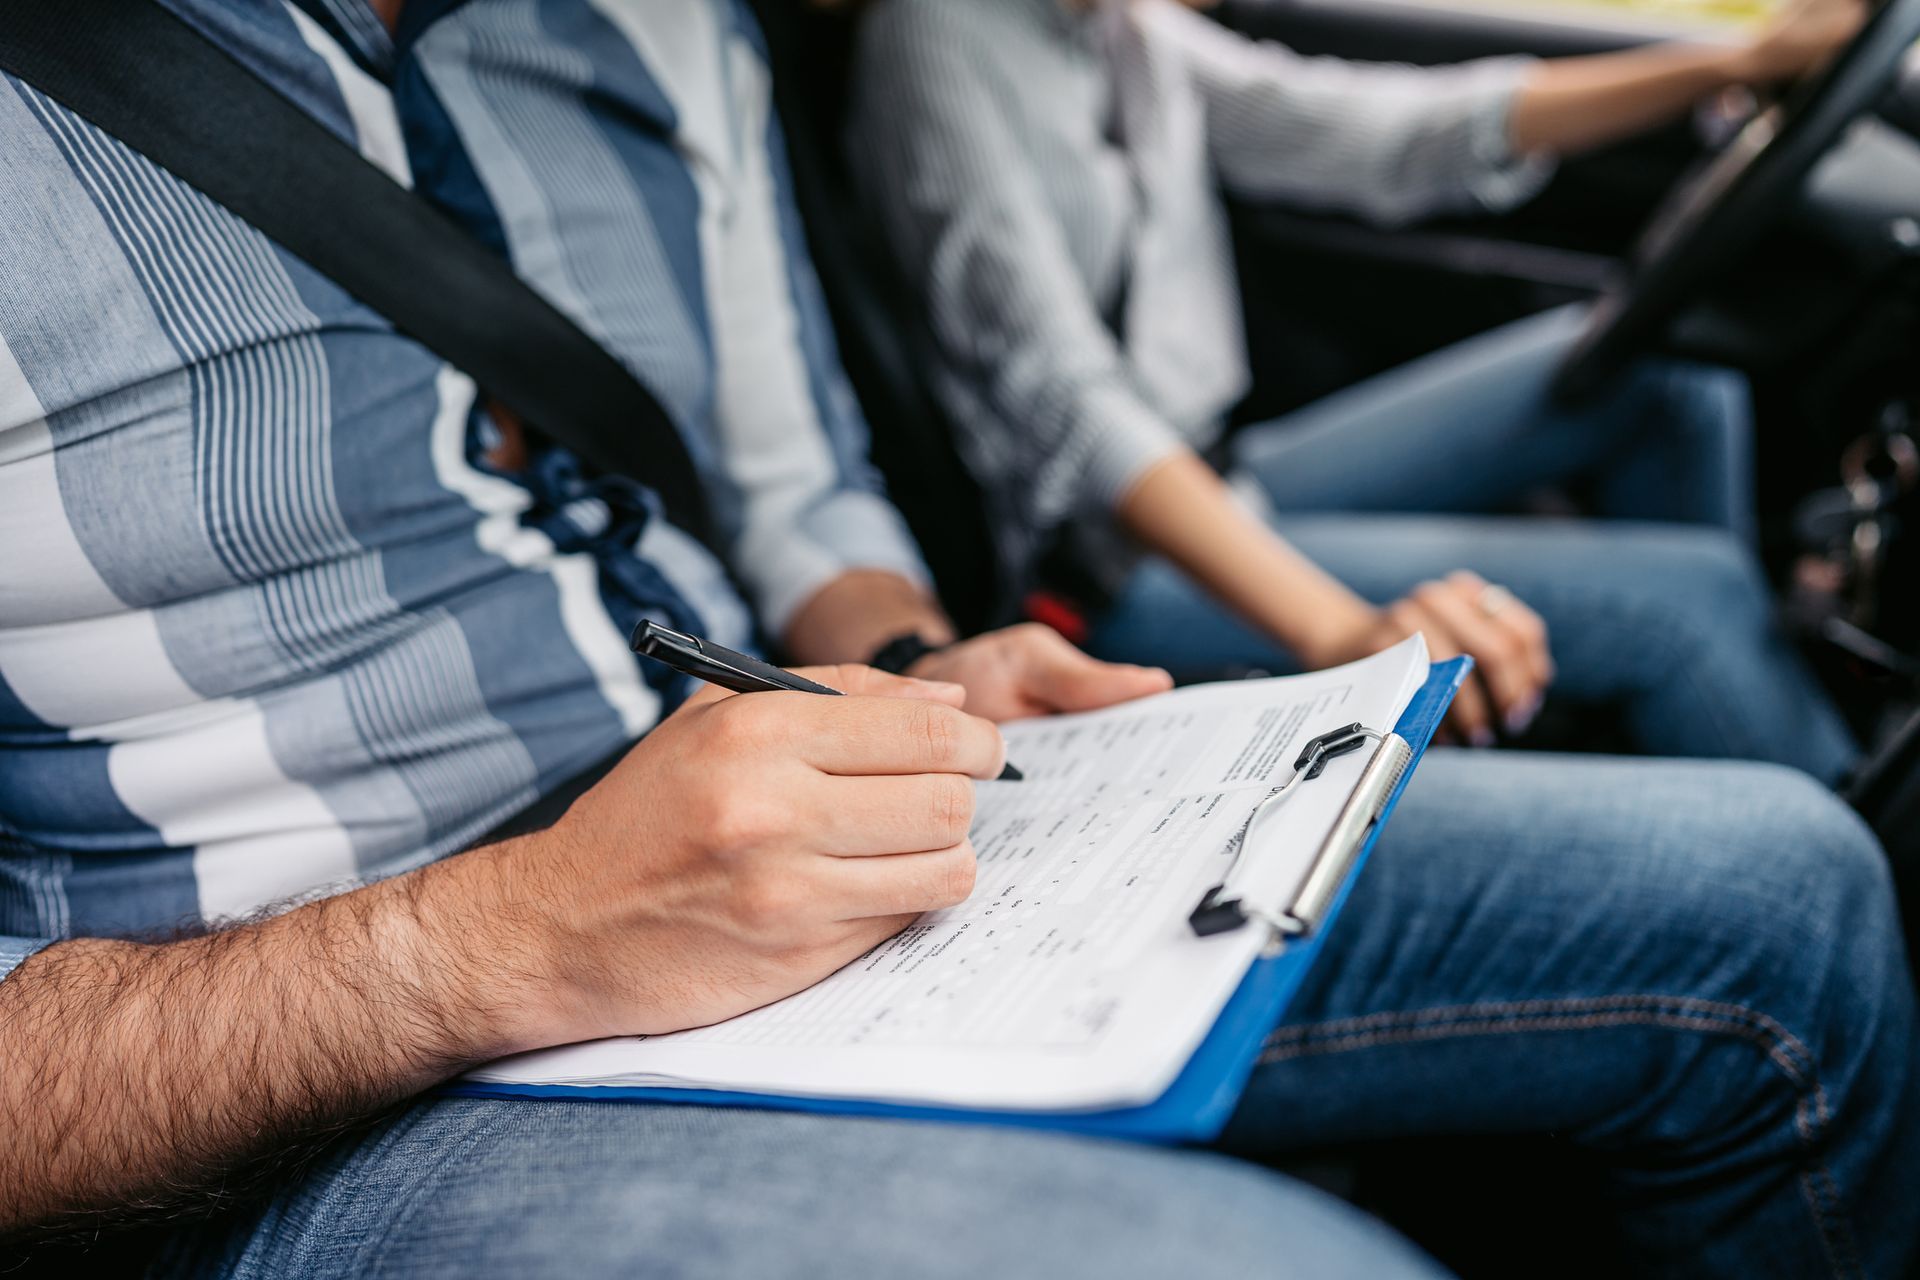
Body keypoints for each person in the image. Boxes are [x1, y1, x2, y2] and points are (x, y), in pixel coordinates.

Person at [2, 2, 1917, 1277]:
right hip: (330, 1080)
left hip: (809, 834)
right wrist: (490, 937)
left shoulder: (667, 31)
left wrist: (910, 658)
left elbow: (799, 499)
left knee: (1787, 886)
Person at [847, 0, 1864, 777]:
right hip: (1113, 560)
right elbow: (1067, 402)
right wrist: (1340, 634)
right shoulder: (935, 41)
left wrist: (1735, 63)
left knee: (1669, 373)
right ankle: (1842, 839)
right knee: (1694, 605)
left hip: (1232, 461)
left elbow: (1377, 131)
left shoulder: (1121, 28)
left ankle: (1682, 749)